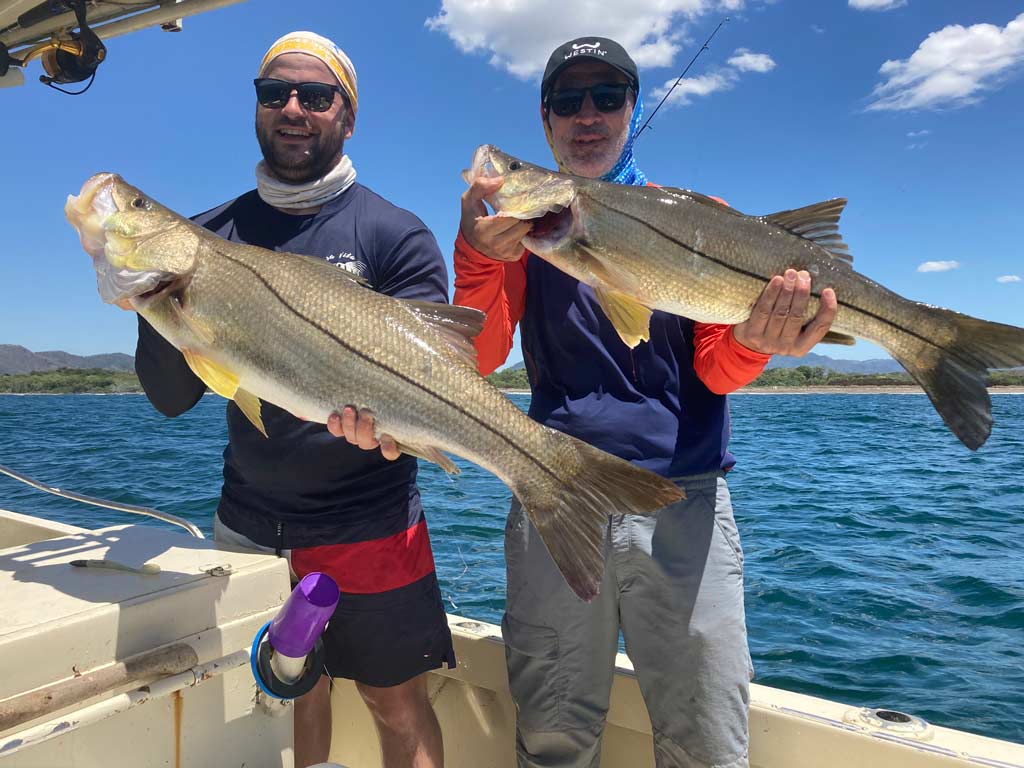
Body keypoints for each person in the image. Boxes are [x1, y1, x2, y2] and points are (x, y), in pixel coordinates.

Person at [454, 37, 838, 768]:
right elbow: (475, 360)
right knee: (553, 738)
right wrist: (477, 255)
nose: (588, 115)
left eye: (607, 97)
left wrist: (757, 338)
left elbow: (717, 373)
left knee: (708, 745)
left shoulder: (703, 218)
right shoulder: (512, 237)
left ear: (632, 108)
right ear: (546, 121)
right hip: (556, 492)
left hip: (683, 498)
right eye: (568, 101)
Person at [130, 31, 453, 768]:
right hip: (250, 522)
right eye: (274, 93)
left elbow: (434, 382)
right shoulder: (209, 236)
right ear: (257, 108)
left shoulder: (393, 234)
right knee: (288, 695)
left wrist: (391, 426)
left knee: (395, 705)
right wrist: (156, 306)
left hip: (370, 522)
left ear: (349, 113)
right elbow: (170, 399)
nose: (294, 108)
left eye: (316, 94)